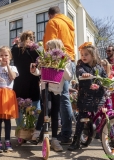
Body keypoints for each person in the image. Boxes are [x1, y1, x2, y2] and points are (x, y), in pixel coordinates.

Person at [31, 39, 73, 152]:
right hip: (46, 87)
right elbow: (39, 72)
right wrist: (34, 71)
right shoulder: (45, 59)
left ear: (57, 49)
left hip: (57, 89)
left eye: (51, 49)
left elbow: (68, 77)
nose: (48, 51)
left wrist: (62, 65)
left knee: (55, 113)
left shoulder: (65, 61)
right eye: (47, 49)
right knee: (47, 108)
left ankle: (54, 139)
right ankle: (38, 131)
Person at [43, 6, 75, 144]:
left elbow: (50, 45)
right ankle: (68, 131)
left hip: (59, 61)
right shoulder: (69, 23)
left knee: (61, 97)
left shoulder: (53, 22)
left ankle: (66, 133)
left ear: (50, 15)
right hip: (70, 59)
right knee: (64, 96)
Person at [68, 42, 107, 151]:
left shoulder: (99, 67)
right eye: (82, 54)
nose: (83, 56)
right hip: (85, 97)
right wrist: (84, 74)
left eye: (86, 54)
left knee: (102, 116)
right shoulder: (80, 66)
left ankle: (112, 139)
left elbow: (105, 77)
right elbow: (79, 72)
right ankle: (76, 141)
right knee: (81, 118)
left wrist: (107, 81)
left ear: (93, 55)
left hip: (98, 96)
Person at [11, 30, 41, 126]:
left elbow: (14, 49)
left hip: (19, 82)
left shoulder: (16, 50)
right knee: (35, 106)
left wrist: (16, 43)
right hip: (33, 82)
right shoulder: (36, 51)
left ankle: (21, 131)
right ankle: (35, 129)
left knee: (19, 107)